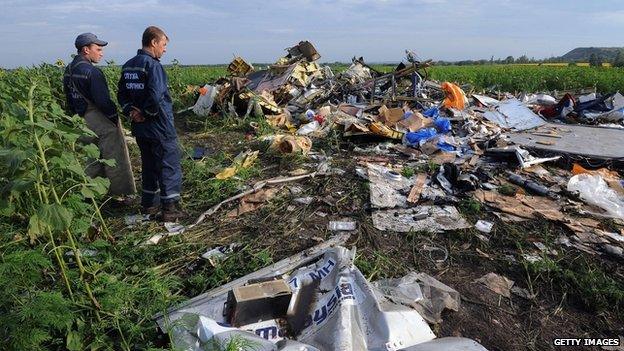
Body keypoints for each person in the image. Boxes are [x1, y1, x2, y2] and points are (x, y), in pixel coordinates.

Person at [117, 26, 186, 221]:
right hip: (159, 126)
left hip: (140, 128)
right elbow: (156, 96)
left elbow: (121, 94)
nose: (164, 49)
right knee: (168, 165)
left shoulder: (129, 66)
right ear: (153, 42)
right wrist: (146, 113)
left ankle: (149, 203)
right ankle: (170, 209)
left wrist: (131, 111)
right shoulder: (153, 66)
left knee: (148, 164)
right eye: (163, 45)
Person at [63, 33, 136, 200]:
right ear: (86, 50)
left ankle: (92, 196)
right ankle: (121, 195)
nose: (101, 53)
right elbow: (103, 101)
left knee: (92, 158)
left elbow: (68, 97)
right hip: (99, 118)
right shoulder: (92, 72)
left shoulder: (69, 70)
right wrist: (114, 119)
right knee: (114, 157)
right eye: (98, 49)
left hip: (80, 119)